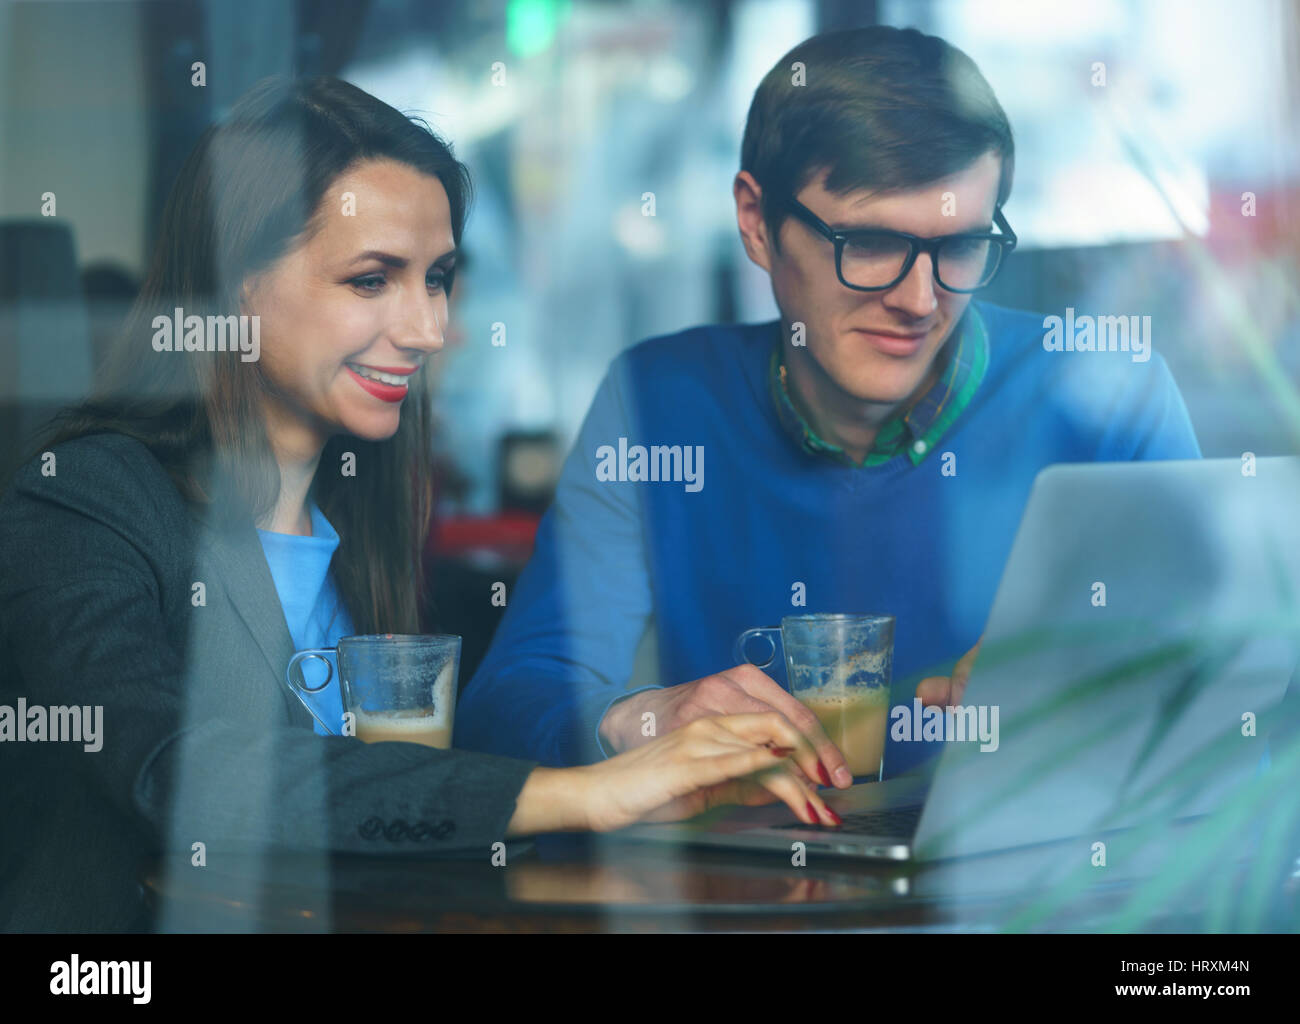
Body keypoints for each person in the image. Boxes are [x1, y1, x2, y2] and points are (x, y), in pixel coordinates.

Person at [0, 75, 840, 933]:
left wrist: (642, 734)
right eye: (372, 281)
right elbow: (175, 772)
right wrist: (584, 791)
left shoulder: (362, 520)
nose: (430, 328)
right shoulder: (83, 502)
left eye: (436, 278)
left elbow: (399, 802)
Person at [455, 26, 1202, 780]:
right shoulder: (659, 405)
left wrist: (1111, 681)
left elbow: (1234, 693)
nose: (919, 300)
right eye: (871, 243)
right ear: (756, 222)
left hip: (1038, 890)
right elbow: (507, 706)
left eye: (961, 246)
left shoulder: (1110, 397)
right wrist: (643, 718)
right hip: (758, 892)